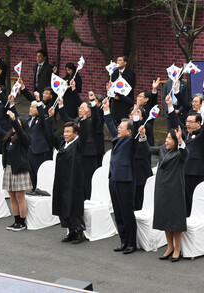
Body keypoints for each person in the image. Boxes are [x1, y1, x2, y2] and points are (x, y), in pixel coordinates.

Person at [138, 125, 188, 262]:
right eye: (166, 138)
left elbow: (185, 153)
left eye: (170, 139)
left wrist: (180, 142)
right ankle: (170, 247)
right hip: (162, 188)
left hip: (175, 190)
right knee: (165, 218)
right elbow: (147, 149)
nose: (166, 140)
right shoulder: (162, 149)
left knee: (176, 221)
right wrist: (143, 136)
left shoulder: (180, 153)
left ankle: (177, 249)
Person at [102, 98, 138, 254]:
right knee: (118, 212)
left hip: (125, 180)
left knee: (126, 212)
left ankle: (131, 242)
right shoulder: (118, 138)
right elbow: (110, 125)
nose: (118, 129)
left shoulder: (131, 141)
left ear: (129, 131)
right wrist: (106, 110)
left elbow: (136, 130)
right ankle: (123, 240)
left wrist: (135, 117)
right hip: (114, 178)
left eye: (121, 127)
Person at [45, 116, 87, 244]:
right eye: (65, 131)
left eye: (69, 132)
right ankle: (71, 231)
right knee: (62, 206)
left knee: (73, 207)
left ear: (76, 133)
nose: (66, 134)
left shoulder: (78, 144)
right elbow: (53, 134)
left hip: (74, 182)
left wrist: (84, 121)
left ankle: (79, 232)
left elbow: (85, 135)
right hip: (61, 181)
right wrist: (50, 118)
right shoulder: (63, 143)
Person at [0, 108, 31, 231]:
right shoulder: (10, 135)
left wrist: (14, 121)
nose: (14, 126)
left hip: (19, 170)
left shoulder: (25, 139)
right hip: (9, 169)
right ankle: (16, 221)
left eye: (18, 123)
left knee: (19, 197)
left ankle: (22, 222)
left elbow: (21, 133)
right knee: (12, 196)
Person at [166, 94, 204, 217]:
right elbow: (176, 121)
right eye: (187, 121)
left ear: (198, 123)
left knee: (194, 199)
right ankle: (186, 219)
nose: (188, 124)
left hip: (195, 172)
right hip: (183, 171)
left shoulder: (202, 134)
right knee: (184, 199)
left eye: (191, 122)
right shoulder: (186, 133)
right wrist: (169, 105)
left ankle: (195, 219)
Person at [57, 87, 99, 200]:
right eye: (79, 108)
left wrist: (93, 102)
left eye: (83, 108)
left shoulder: (93, 121)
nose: (80, 110)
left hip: (88, 154)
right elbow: (66, 118)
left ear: (89, 111)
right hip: (76, 152)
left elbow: (96, 117)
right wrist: (60, 105)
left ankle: (89, 199)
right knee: (78, 178)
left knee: (88, 179)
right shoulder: (77, 121)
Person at [18, 80, 53, 195]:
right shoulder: (28, 119)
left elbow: (43, 115)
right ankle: (33, 189)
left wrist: (38, 101)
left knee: (39, 172)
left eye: (33, 108)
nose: (30, 109)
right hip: (29, 149)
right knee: (31, 172)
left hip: (39, 150)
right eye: (30, 107)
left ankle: (40, 190)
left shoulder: (42, 119)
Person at [109, 55, 136, 124]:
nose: (118, 62)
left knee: (124, 121)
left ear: (125, 62)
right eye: (117, 60)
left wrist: (120, 96)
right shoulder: (114, 73)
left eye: (120, 60)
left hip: (125, 101)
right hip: (116, 100)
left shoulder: (130, 73)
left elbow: (129, 87)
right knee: (115, 121)